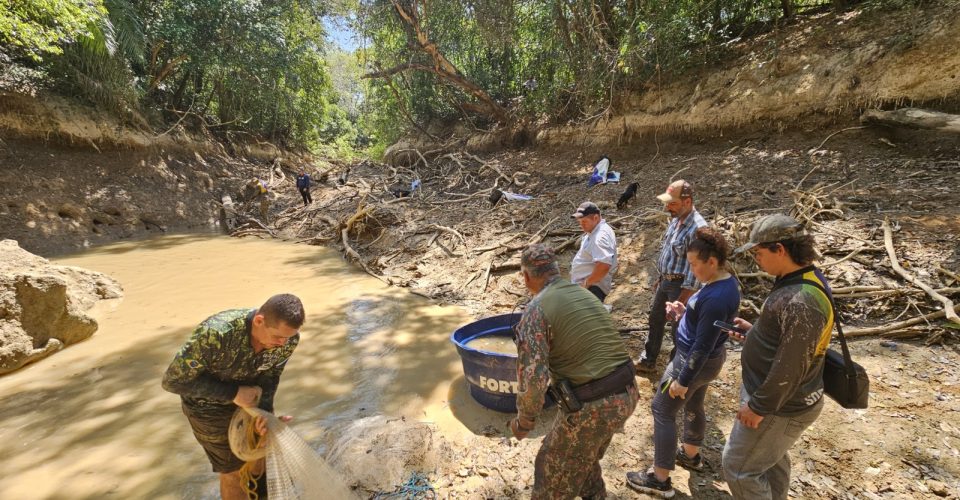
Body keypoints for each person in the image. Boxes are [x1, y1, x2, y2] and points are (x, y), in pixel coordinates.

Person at [510, 243, 639, 499]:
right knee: (581, 457)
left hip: (594, 405)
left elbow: (533, 379)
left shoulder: (536, 311)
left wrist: (524, 421)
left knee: (550, 473)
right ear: (558, 270)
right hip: (628, 392)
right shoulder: (584, 294)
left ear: (526, 277)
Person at [721, 214, 833, 500]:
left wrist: (758, 407)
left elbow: (791, 366)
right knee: (768, 461)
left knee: (738, 468)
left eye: (759, 253)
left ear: (780, 249)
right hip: (777, 401)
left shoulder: (802, 300)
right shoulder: (797, 278)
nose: (756, 259)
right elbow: (790, 342)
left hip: (779, 407)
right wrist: (756, 333)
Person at [626, 227, 741, 498]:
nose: (691, 269)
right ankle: (691, 454)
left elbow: (701, 346)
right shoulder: (724, 283)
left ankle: (659, 478)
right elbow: (707, 328)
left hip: (690, 362)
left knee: (663, 410)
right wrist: (683, 313)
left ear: (711, 262)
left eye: (693, 264)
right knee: (695, 402)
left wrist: (681, 380)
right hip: (709, 361)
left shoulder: (715, 297)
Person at [162, 294, 304, 500]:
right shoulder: (217, 333)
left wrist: (263, 414)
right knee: (232, 472)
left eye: (288, 338)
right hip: (207, 410)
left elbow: (271, 376)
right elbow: (172, 382)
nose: (283, 344)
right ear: (259, 321)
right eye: (277, 337)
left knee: (260, 453)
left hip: (251, 402)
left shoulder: (288, 341)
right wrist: (233, 394)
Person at [637, 179, 707, 374]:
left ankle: (675, 370)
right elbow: (669, 252)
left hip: (682, 286)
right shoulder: (677, 220)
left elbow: (696, 270)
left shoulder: (698, 229)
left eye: (672, 203)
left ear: (687, 201)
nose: (668, 207)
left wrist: (683, 298)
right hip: (666, 281)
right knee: (655, 319)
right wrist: (661, 277)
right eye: (667, 203)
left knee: (679, 329)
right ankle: (648, 360)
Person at [570, 201, 618, 303]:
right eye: (580, 222)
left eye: (584, 222)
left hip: (592, 288)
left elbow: (604, 264)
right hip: (590, 287)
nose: (581, 225)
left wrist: (586, 284)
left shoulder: (600, 236)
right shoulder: (596, 231)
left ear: (596, 218)